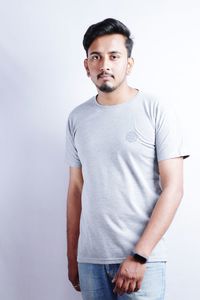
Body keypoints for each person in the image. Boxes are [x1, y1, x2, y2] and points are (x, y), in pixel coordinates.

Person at [66, 18, 189, 300]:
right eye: (95, 57)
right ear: (87, 66)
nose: (104, 65)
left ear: (129, 64)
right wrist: (73, 256)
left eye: (114, 56)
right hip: (91, 261)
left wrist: (139, 256)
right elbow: (75, 189)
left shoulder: (156, 109)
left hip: (142, 262)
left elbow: (174, 188)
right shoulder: (77, 118)